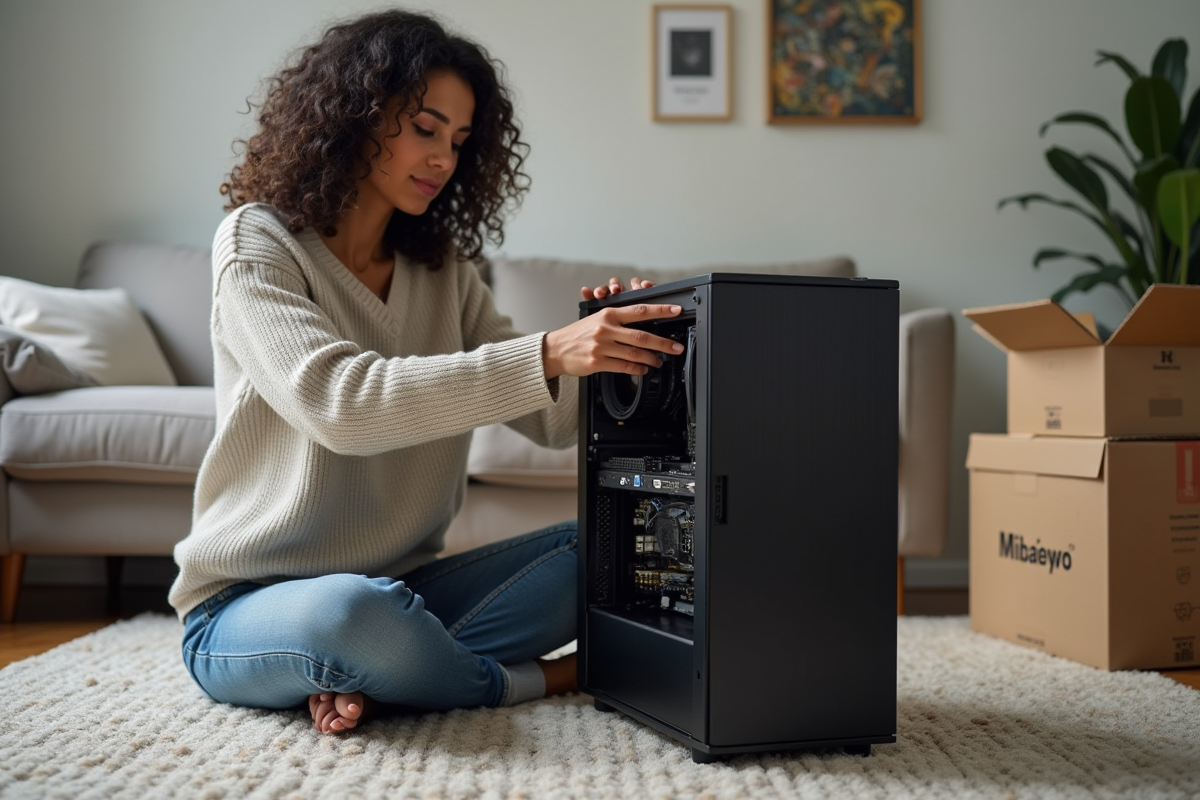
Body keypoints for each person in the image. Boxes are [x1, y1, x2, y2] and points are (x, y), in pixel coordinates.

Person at [167, 9, 682, 734]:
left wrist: (620, 357)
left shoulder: (445, 273)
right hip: (246, 607)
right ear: (354, 115)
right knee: (351, 614)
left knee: (610, 544)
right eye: (425, 128)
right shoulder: (259, 241)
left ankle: (389, 674)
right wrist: (548, 352)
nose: (443, 159)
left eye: (459, 142)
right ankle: (519, 680)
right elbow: (340, 406)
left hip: (407, 593)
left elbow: (554, 421)